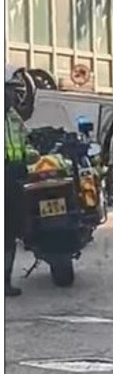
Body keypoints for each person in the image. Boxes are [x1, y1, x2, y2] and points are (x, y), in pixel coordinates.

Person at [5, 66, 38, 297]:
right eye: (9, 91)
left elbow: (26, 142)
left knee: (11, 233)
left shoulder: (13, 117)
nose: (13, 97)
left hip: (15, 178)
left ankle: (5, 282)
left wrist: (32, 154)